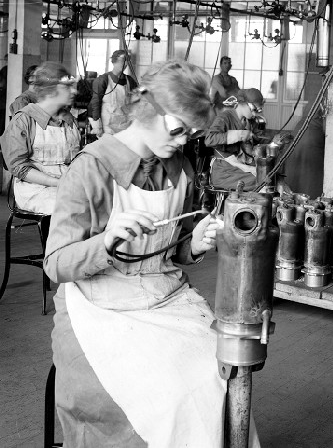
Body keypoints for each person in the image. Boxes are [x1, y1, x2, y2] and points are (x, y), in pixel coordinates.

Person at [42, 61, 259, 448]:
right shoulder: (90, 169)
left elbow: (171, 251)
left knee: (226, 369)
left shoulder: (181, 167)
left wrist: (193, 244)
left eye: (191, 133)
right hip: (98, 308)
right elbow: (55, 265)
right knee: (170, 396)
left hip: (164, 296)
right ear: (147, 111)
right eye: (179, 130)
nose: (183, 141)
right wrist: (105, 242)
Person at [0, 62, 81, 215]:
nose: (74, 91)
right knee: (69, 207)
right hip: (35, 188)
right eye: (67, 86)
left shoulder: (69, 120)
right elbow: (19, 167)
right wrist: (58, 183)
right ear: (51, 91)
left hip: (66, 183)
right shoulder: (24, 120)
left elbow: (78, 158)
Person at [205, 90, 257, 190]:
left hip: (237, 165)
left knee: (270, 174)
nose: (254, 114)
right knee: (263, 180)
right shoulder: (225, 117)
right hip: (224, 171)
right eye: (253, 109)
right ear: (242, 104)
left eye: (257, 111)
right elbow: (209, 139)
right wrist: (239, 134)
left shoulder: (247, 121)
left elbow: (256, 141)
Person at [88, 49, 137, 137]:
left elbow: (141, 94)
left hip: (125, 126)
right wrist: (97, 127)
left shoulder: (130, 80)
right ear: (114, 62)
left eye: (127, 60)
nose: (125, 64)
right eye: (123, 60)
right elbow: (95, 103)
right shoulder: (102, 80)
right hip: (107, 127)